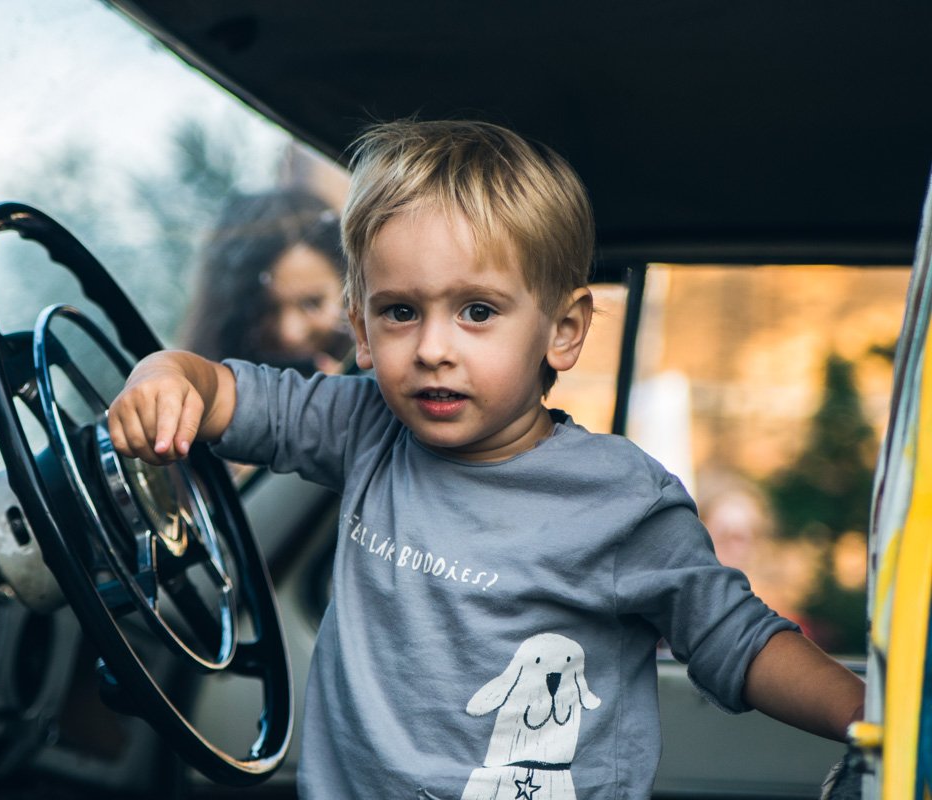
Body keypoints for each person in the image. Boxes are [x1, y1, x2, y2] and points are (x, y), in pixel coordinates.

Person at [107, 120, 864, 799]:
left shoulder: (622, 499)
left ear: (563, 331)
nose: (434, 348)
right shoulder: (363, 426)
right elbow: (235, 394)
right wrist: (168, 376)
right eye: (401, 312)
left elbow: (737, 639)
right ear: (361, 334)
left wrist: (873, 721)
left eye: (477, 312)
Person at [177, 188, 352, 375]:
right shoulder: (204, 387)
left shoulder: (375, 379)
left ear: (350, 289)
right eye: (265, 309)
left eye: (312, 303)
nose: (290, 334)